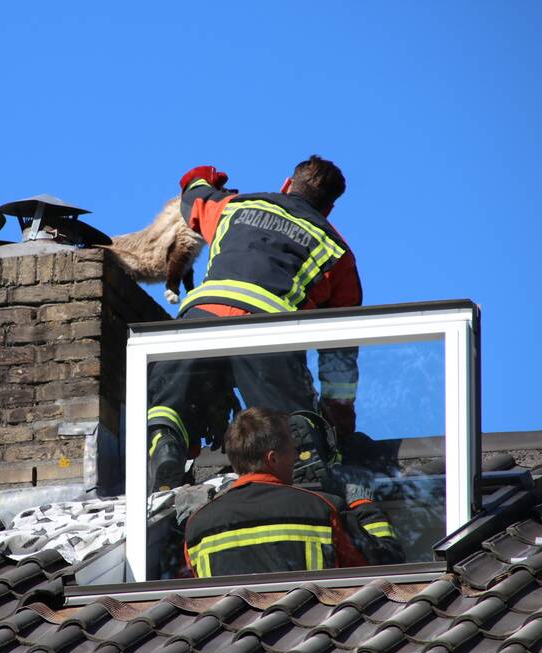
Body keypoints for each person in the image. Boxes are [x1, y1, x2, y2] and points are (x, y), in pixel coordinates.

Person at [147, 156, 362, 491]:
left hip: (196, 327)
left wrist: (208, 176)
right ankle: (304, 458)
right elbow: (340, 353)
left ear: (287, 185)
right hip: (269, 339)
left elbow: (192, 192)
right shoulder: (338, 253)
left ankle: (166, 447)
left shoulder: (233, 207)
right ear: (329, 209)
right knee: (292, 423)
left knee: (167, 404)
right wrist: (337, 419)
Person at [183, 408, 402, 578]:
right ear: (273, 459)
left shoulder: (197, 526)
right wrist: (362, 502)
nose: (297, 456)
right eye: (292, 449)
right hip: (311, 632)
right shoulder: (322, 510)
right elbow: (384, 564)